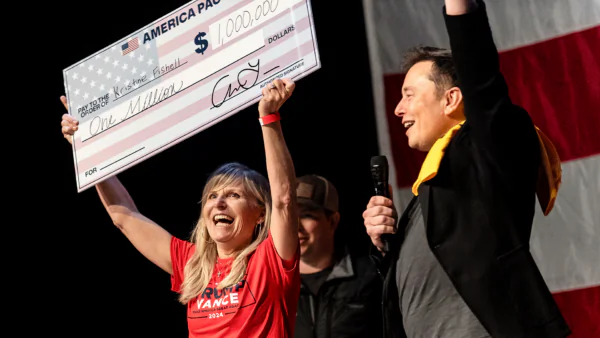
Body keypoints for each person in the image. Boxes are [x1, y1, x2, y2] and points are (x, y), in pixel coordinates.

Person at [361, 1, 569, 338]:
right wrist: (386, 248)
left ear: (452, 99)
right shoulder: (429, 191)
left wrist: (459, 8)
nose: (398, 109)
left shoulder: (491, 150)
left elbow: (480, 76)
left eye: (409, 94)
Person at [60, 79, 302, 337]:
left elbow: (284, 199)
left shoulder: (271, 260)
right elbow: (124, 217)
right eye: (212, 196)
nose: (219, 202)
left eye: (233, 195)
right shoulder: (192, 263)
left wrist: (269, 118)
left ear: (261, 213)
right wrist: (87, 151)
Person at [293, 175, 382, 338]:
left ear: (332, 221)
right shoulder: (274, 285)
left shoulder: (370, 276)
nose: (296, 227)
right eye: (289, 218)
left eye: (306, 215)